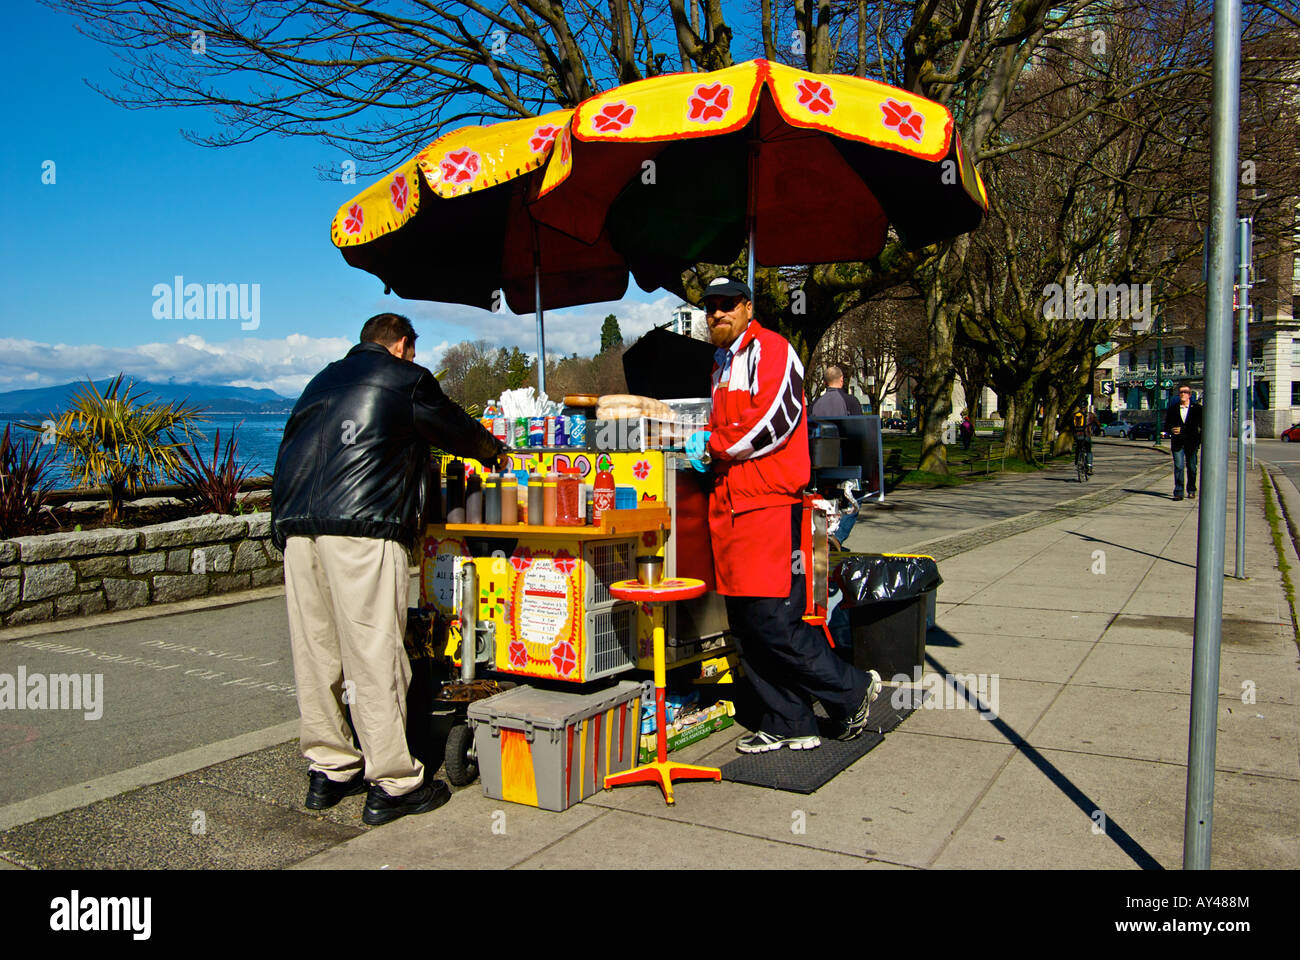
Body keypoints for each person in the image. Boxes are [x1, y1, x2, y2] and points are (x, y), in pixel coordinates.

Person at [272, 313, 508, 825]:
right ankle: (394, 783)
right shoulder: (405, 379)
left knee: (316, 651)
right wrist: (494, 451)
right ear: (402, 345)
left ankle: (329, 768)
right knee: (374, 650)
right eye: (414, 350)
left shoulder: (321, 379)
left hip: (297, 527)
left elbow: (290, 448)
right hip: (362, 526)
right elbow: (454, 427)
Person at [695, 276, 881, 754]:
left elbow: (773, 421)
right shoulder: (719, 363)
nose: (717, 313)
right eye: (710, 306)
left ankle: (851, 689)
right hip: (731, 508)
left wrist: (711, 445)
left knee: (774, 620)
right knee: (747, 625)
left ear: (747, 307)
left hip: (767, 506)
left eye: (726, 305)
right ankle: (789, 720)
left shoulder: (772, 350)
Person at [1164, 382, 1202, 500]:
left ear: (1190, 394)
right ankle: (1178, 491)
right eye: (1181, 392)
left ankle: (1191, 489)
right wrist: (1171, 429)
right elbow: (1167, 425)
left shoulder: (1197, 409)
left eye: (1185, 392)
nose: (1183, 394)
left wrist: (1198, 441)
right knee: (1179, 466)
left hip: (1192, 442)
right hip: (1177, 442)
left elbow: (1201, 426)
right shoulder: (1173, 409)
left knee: (1192, 467)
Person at [1072, 408, 1093, 475]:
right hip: (1086, 436)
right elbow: (1097, 423)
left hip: (1078, 436)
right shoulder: (1090, 415)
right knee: (1089, 451)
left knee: (1078, 448)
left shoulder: (1075, 415)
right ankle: (1089, 467)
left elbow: (1071, 426)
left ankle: (1077, 461)